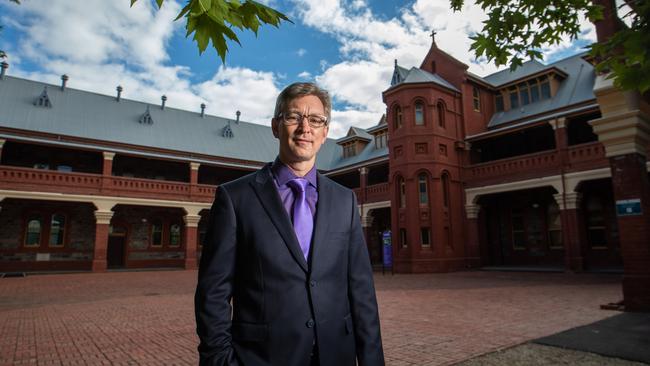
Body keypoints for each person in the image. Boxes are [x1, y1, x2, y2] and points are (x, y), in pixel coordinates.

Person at [195, 82, 384, 366]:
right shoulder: (235, 198)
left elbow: (362, 292)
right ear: (275, 126)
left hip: (336, 356)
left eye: (316, 120)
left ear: (325, 133)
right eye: (293, 117)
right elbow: (213, 292)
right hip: (261, 358)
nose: (304, 128)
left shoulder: (344, 200)